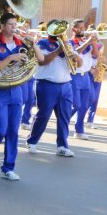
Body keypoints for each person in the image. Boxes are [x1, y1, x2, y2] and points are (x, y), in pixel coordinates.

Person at [0, 12, 45, 181]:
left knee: (13, 131)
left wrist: (33, 43)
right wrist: (11, 58)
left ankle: (8, 167)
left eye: (15, 25)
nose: (14, 28)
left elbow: (41, 59)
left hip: (17, 89)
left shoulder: (20, 42)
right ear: (2, 26)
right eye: (10, 25)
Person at [26, 23, 82, 157]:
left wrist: (75, 57)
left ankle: (62, 146)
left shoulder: (68, 44)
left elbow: (80, 64)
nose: (60, 33)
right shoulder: (42, 43)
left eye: (61, 31)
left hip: (66, 84)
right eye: (57, 30)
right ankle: (32, 141)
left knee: (64, 117)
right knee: (43, 115)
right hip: (46, 84)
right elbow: (42, 61)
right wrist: (58, 50)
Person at [69, 20, 98, 140]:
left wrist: (94, 42)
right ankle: (63, 120)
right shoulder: (70, 42)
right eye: (79, 28)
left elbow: (95, 55)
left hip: (85, 75)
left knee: (88, 102)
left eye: (83, 28)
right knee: (76, 103)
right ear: (74, 29)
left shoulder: (86, 41)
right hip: (74, 75)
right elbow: (77, 52)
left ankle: (79, 130)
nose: (82, 30)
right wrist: (88, 41)